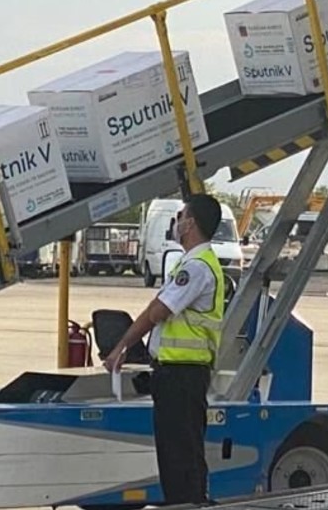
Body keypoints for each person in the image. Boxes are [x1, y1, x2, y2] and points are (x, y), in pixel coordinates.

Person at [103, 194, 225, 506]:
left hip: (183, 373)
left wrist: (122, 346)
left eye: (180, 216)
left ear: (190, 224)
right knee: (180, 454)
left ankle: (187, 503)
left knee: (180, 456)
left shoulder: (196, 268)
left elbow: (157, 312)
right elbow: (155, 309)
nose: (176, 222)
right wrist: (125, 345)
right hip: (178, 373)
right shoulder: (192, 263)